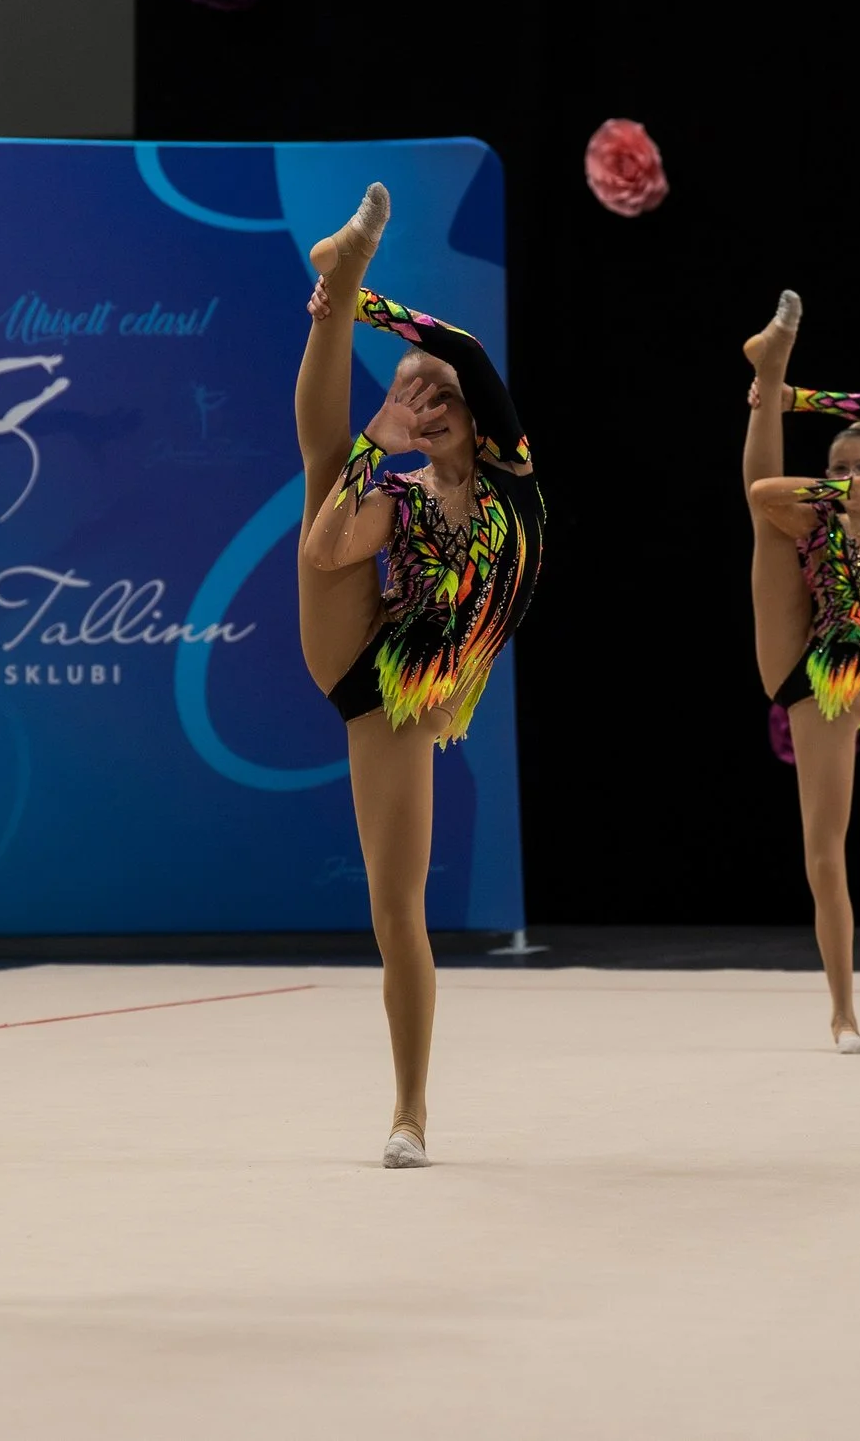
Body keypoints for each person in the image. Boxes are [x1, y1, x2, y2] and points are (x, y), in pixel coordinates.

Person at [293, 184, 544, 1167]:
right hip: (368, 664)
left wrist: (361, 298)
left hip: (414, 692)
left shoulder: (512, 473)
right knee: (322, 464)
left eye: (438, 395)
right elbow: (320, 555)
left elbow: (468, 353)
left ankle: (410, 1108)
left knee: (399, 906)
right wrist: (371, 441)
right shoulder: (393, 492)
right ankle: (409, 1112)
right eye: (406, 393)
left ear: (474, 412)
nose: (425, 405)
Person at [741, 291, 860, 1053]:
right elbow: (762, 491)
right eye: (840, 466)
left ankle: (771, 363)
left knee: (828, 848)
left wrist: (792, 397)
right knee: (826, 851)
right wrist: (844, 488)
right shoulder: (819, 512)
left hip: (846, 684)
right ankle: (843, 1013)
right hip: (804, 664)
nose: (854, 474)